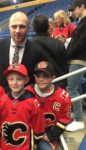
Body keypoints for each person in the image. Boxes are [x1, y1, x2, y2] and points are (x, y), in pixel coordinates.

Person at [0, 11, 49, 90]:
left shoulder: (37, 49)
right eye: (14, 26)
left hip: (27, 98)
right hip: (1, 98)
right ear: (9, 27)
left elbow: (40, 76)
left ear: (28, 28)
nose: (17, 31)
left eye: (22, 27)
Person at [26, 61, 72, 150]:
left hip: (47, 135)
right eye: (38, 76)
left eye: (45, 76)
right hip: (28, 133)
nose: (41, 79)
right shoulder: (27, 92)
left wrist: (51, 135)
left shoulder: (63, 96)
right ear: (34, 76)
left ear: (52, 78)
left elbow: (65, 119)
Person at [0, 63, 46, 149]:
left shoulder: (32, 102)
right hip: (6, 144)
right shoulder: (3, 99)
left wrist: (37, 137)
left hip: (24, 145)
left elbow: (38, 124)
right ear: (7, 80)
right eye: (11, 79)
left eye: (19, 79)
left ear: (26, 80)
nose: (15, 82)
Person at [31, 14, 69, 88]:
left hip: (41, 86)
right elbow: (65, 64)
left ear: (33, 28)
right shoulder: (58, 43)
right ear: (48, 26)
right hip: (60, 83)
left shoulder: (30, 45)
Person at [66, 0, 86, 131]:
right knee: (76, 88)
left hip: (79, 60)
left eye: (74, 9)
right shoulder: (82, 22)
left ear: (82, 7)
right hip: (77, 59)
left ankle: (79, 120)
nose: (73, 12)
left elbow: (81, 43)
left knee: (71, 88)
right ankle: (77, 115)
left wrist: (67, 54)